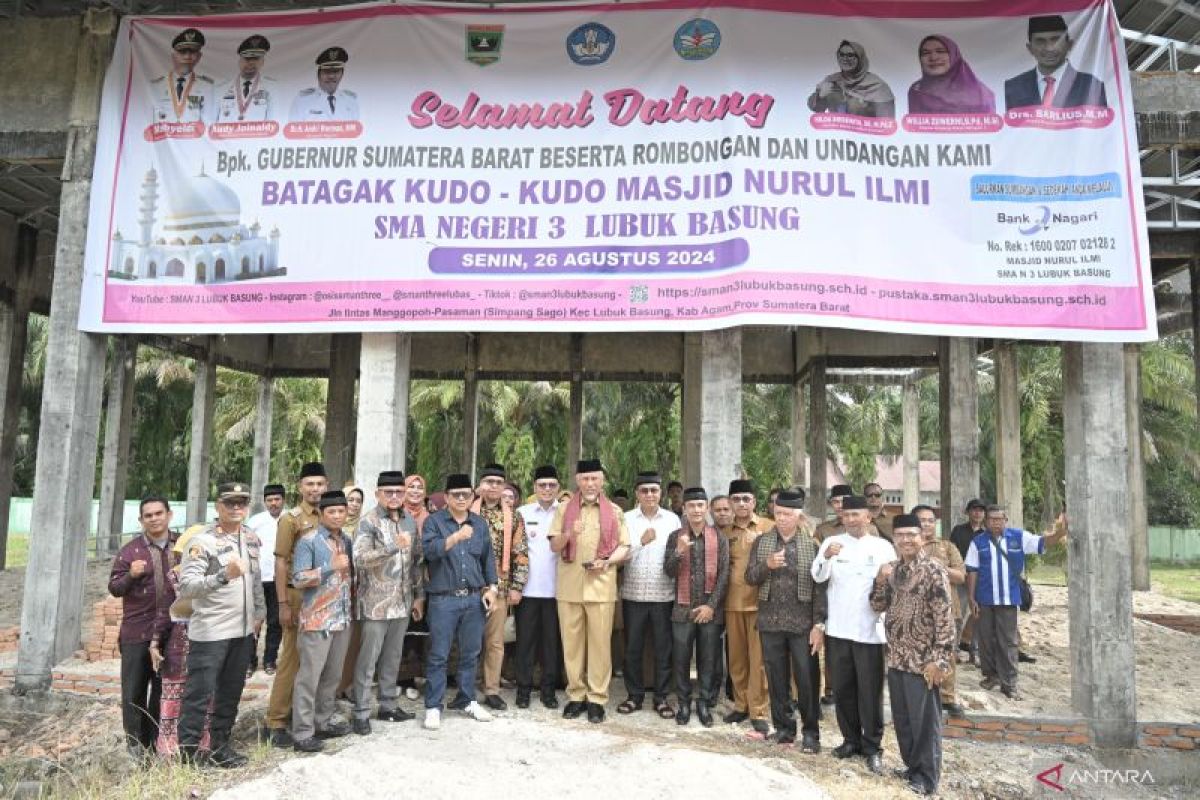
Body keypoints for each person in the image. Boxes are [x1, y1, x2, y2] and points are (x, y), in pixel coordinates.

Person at [177, 482, 265, 768]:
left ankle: (219, 748)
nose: (236, 507)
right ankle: (189, 755)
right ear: (218, 506)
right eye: (230, 503)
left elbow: (255, 581)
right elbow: (188, 587)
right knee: (198, 694)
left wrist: (259, 613)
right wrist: (223, 576)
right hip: (212, 632)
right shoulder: (202, 542)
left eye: (242, 502)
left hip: (242, 631)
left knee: (230, 692)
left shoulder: (250, 538)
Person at [869, 515, 955, 797]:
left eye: (911, 535)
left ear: (922, 537)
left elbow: (945, 618)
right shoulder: (894, 571)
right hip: (896, 658)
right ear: (894, 538)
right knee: (904, 720)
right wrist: (880, 579)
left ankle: (927, 778)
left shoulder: (934, 570)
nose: (906, 540)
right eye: (900, 535)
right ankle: (912, 768)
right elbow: (877, 605)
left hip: (923, 662)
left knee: (924, 723)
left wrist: (940, 660)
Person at [811, 495, 896, 775]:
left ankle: (872, 747)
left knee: (870, 692)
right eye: (846, 516)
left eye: (856, 515)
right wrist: (825, 558)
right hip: (839, 630)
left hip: (870, 632)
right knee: (843, 689)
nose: (850, 520)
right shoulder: (831, 543)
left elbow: (893, 585)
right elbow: (818, 578)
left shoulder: (883, 547)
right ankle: (850, 741)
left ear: (868, 517)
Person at [549, 459, 631, 724]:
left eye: (595, 478)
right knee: (571, 646)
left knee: (599, 646)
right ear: (577, 481)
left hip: (601, 587)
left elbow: (625, 547)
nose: (590, 484)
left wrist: (607, 562)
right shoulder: (563, 509)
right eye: (585, 479)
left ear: (602, 480)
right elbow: (554, 546)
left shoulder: (615, 511)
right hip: (570, 587)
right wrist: (568, 535)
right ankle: (576, 696)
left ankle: (597, 699)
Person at [745, 490, 825, 751]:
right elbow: (750, 578)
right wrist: (767, 564)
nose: (782, 519)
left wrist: (818, 625)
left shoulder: (811, 546)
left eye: (788, 514)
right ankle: (784, 729)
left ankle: (811, 733)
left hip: (802, 625)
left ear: (798, 515)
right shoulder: (763, 542)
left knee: (806, 680)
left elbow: (819, 589)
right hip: (770, 623)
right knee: (776, 679)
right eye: (778, 513)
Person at [421, 473, 500, 730]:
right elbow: (429, 552)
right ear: (446, 498)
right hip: (443, 600)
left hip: (473, 600)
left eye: (467, 494)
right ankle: (433, 706)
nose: (462, 498)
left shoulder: (479, 523)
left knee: (470, 653)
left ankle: (467, 700)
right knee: (438, 655)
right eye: (456, 494)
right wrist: (455, 537)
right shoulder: (434, 522)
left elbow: (487, 559)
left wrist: (492, 589)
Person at [966, 505, 1068, 700]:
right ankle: (991, 675)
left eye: (999, 519)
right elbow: (972, 571)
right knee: (986, 640)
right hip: (984, 598)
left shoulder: (1018, 537)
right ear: (986, 522)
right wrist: (971, 598)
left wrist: (1060, 532)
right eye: (991, 519)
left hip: (1008, 599)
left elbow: (1043, 543)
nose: (995, 522)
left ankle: (1009, 683)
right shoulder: (977, 542)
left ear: (1006, 520)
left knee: (1009, 642)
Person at [350, 471, 425, 734]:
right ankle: (360, 712)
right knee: (368, 659)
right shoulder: (368, 522)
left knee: (393, 657)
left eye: (398, 492)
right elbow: (360, 559)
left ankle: (388, 705)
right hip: (375, 603)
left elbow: (416, 561)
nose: (394, 497)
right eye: (388, 492)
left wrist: (418, 596)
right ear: (378, 494)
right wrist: (393, 546)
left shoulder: (408, 522)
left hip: (402, 601)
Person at [109, 495, 178, 759]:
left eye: (158, 513)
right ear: (141, 520)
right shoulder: (130, 551)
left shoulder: (182, 546)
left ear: (169, 515)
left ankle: (158, 743)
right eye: (148, 515)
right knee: (134, 690)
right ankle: (136, 746)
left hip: (172, 634)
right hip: (137, 633)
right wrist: (131, 575)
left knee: (164, 691)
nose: (154, 519)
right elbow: (114, 588)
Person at [263, 461, 327, 748]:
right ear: (300, 487)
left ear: (326, 486)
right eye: (309, 484)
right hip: (297, 595)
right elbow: (280, 562)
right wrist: (282, 604)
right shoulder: (291, 519)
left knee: (315, 661)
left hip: (324, 597)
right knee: (291, 658)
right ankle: (275, 721)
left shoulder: (329, 515)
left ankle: (305, 717)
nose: (315, 489)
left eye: (319, 484)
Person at [290, 490, 354, 752]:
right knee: (309, 678)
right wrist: (330, 567)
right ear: (322, 514)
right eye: (332, 512)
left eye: (341, 511)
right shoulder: (309, 541)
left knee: (332, 676)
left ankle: (323, 722)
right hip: (317, 620)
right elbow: (298, 579)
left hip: (341, 618)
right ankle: (302, 733)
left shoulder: (347, 540)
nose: (337, 516)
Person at [664, 488, 729, 728]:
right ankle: (683, 702)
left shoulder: (718, 537)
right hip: (682, 609)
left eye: (701, 505)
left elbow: (724, 575)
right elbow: (668, 571)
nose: (696, 510)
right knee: (681, 657)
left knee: (708, 658)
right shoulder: (675, 537)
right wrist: (679, 551)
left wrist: (711, 607)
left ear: (707, 508)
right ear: (685, 509)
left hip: (710, 611)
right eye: (691, 506)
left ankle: (703, 702)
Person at [617, 472, 679, 719]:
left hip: (664, 595)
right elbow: (617, 556)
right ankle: (634, 696)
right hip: (633, 594)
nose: (650, 495)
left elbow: (677, 557)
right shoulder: (626, 519)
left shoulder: (673, 520)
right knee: (633, 648)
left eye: (654, 490)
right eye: (644, 491)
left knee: (663, 648)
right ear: (637, 494)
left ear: (660, 493)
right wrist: (640, 542)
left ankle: (661, 698)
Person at [471, 464, 529, 711]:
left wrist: (517, 586)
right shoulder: (466, 511)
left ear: (504, 486)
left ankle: (492, 689)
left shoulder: (514, 516)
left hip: (501, 587)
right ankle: (468, 688)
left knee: (495, 642)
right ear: (480, 486)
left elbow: (521, 553)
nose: (493, 486)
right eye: (488, 481)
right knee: (469, 641)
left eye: (498, 482)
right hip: (470, 586)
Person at [155, 526, 213, 759]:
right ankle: (171, 749)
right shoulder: (173, 577)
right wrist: (154, 643)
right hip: (180, 646)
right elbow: (162, 612)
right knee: (174, 696)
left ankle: (201, 748)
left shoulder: (213, 577)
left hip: (207, 642)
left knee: (205, 697)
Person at [722, 479, 770, 734]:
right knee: (737, 660)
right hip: (731, 604)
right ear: (730, 502)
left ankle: (758, 710)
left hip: (760, 604)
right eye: (736, 499)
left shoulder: (768, 528)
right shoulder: (723, 532)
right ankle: (740, 705)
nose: (741, 503)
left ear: (754, 502)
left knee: (759, 661)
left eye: (746, 499)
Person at [515, 465, 564, 709]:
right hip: (527, 590)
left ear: (559, 488)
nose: (547, 489)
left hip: (557, 591)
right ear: (534, 487)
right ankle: (523, 690)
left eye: (551, 485)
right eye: (542, 485)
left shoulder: (565, 513)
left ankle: (548, 691)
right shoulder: (522, 513)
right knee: (525, 643)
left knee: (551, 645)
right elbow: (516, 552)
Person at [912, 504, 966, 717]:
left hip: (947, 610)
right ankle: (920, 695)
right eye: (921, 520)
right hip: (916, 611)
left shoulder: (947, 546)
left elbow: (961, 575)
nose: (926, 524)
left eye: (930, 520)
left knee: (947, 654)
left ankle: (947, 697)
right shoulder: (906, 545)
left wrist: (938, 566)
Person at [1004, 15, 1107, 111]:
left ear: (1069, 45)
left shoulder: (1092, 86)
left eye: (1056, 40)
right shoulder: (1013, 87)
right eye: (1040, 41)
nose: (1049, 48)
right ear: (1030, 48)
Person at [247, 484, 286, 675]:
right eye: (269, 500)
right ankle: (249, 661)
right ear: (264, 502)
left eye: (277, 499)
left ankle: (270, 660)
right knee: (254, 621)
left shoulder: (289, 519)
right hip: (258, 578)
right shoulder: (255, 521)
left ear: (283, 500)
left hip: (280, 579)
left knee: (275, 622)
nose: (273, 503)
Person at [907, 34, 996, 114]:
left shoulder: (980, 94)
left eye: (940, 51)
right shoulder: (916, 90)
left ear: (954, 55)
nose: (933, 58)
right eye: (925, 53)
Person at [808, 40, 895, 118]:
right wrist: (820, 95)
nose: (845, 59)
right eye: (841, 54)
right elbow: (816, 109)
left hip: (865, 134)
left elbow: (887, 123)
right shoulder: (832, 80)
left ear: (860, 58)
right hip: (837, 133)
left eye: (850, 55)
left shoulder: (877, 86)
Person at [150, 28, 214, 124]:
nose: (187, 56)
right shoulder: (155, 86)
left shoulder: (208, 87)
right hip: (163, 137)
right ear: (173, 55)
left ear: (199, 56)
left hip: (195, 138)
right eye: (182, 52)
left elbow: (209, 121)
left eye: (192, 52)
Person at [949, 498, 986, 662]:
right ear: (968, 512)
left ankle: (974, 650)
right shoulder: (958, 530)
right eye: (974, 509)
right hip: (962, 580)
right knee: (958, 614)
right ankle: (954, 648)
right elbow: (951, 552)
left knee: (978, 616)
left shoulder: (986, 534)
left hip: (981, 580)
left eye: (981, 510)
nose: (977, 513)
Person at [288, 46, 360, 123]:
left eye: (336, 71)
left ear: (342, 74)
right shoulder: (302, 100)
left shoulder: (351, 100)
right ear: (318, 74)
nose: (331, 76)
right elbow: (293, 131)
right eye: (327, 71)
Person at [217, 34, 277, 122]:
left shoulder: (272, 87)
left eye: (256, 59)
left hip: (259, 135)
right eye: (247, 58)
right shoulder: (221, 87)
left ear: (262, 62)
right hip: (227, 134)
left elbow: (273, 121)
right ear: (239, 61)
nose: (251, 63)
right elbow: (212, 122)